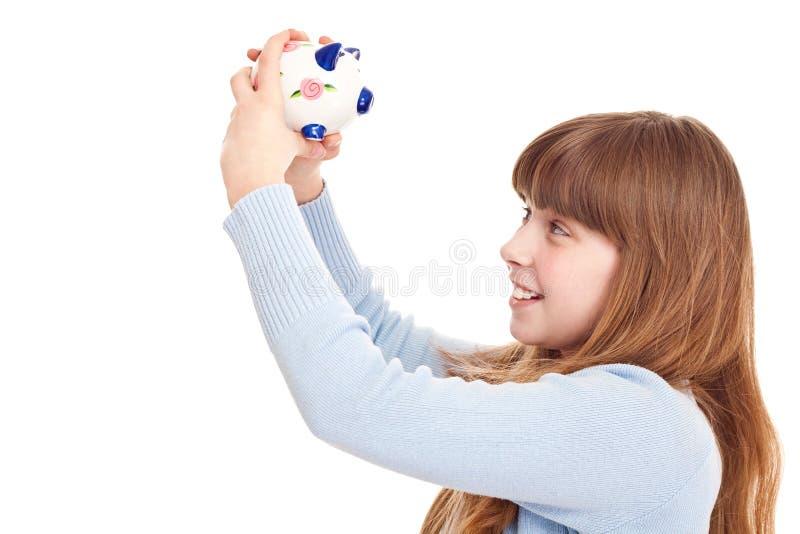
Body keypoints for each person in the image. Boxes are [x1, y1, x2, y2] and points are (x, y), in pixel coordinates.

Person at [220, 28, 782, 534]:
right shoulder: (565, 388)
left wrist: (255, 189)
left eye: (558, 228)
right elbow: (377, 338)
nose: (513, 249)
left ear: (655, 268)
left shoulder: (642, 430)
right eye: (527, 215)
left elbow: (355, 402)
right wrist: (297, 185)